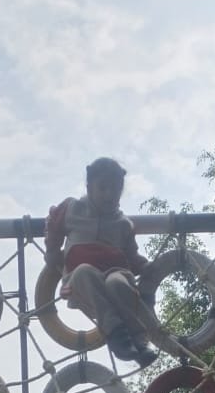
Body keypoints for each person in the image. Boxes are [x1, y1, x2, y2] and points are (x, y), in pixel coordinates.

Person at [45, 156, 160, 368]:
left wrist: (144, 266)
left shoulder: (123, 223)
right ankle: (117, 334)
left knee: (117, 283)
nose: (109, 194)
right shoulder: (72, 209)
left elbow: (130, 255)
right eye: (103, 188)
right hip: (82, 282)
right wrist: (52, 250)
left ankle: (140, 340)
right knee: (83, 272)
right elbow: (54, 224)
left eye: (115, 189)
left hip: (115, 272)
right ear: (89, 187)